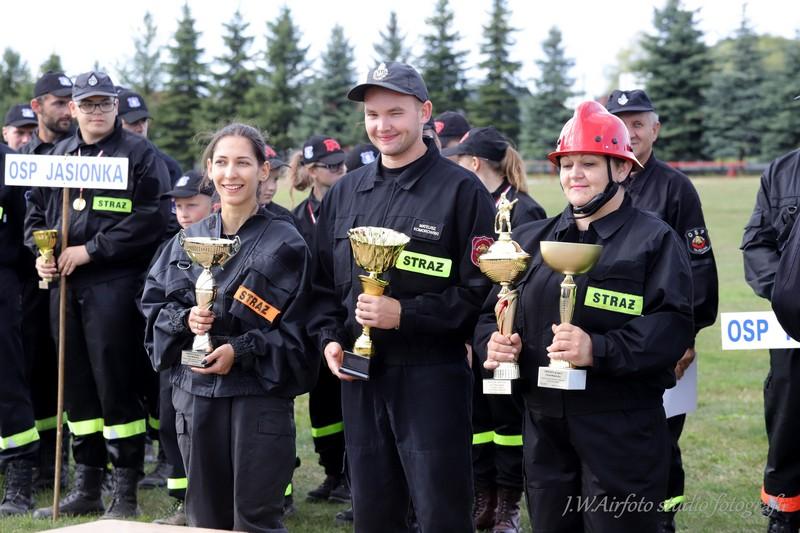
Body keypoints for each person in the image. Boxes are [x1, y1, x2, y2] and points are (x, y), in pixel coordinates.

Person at [474, 101, 694, 532]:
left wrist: (598, 348)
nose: (574, 174)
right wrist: (494, 343)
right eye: (567, 164)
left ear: (622, 169)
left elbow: (670, 327)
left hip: (620, 427)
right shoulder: (529, 240)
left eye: (589, 164)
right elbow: (490, 314)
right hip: (543, 428)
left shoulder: (654, 240)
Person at [310, 61, 496, 531]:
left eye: (395, 112)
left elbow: (482, 292)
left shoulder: (462, 191)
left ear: (424, 112)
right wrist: (329, 338)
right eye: (373, 115)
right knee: (373, 510)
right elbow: (321, 286)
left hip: (431, 376)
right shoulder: (345, 193)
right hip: (359, 377)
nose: (383, 125)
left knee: (440, 510)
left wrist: (405, 314)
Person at [142, 123, 317, 532]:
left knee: (254, 518)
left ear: (263, 171)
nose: (230, 173)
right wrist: (185, 319)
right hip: (194, 396)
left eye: (242, 162)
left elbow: (301, 334)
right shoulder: (186, 241)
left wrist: (242, 349)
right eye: (221, 162)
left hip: (257, 400)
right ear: (209, 169)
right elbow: (154, 309)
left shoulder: (287, 244)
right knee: (206, 520)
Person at [25, 70, 170, 519]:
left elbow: (151, 216)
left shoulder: (140, 154)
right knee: (76, 388)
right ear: (73, 109)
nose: (96, 111)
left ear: (115, 106)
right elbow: (35, 211)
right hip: (64, 287)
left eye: (104, 103)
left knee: (116, 384)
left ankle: (124, 491)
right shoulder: (58, 155)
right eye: (87, 104)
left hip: (114, 285)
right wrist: (41, 252)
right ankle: (86, 484)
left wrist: (91, 250)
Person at [605, 89, 719, 532]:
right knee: (614, 433)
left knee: (662, 434)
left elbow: (698, 264)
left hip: (664, 334)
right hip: (609, 337)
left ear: (656, 129)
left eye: (638, 123)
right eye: (620, 123)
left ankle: (662, 516)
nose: (629, 132)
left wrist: (687, 336)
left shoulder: (675, 187)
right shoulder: (597, 178)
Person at [445, 125, 546, 532]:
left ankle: (508, 504)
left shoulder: (524, 210)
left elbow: (531, 285)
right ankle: (483, 498)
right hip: (476, 337)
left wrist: (502, 334)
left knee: (507, 423)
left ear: (474, 162)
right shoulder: (472, 204)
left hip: (508, 339)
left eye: (458, 160)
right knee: (477, 421)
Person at [141, 169, 214, 527]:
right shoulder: (170, 247)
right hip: (178, 353)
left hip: (217, 353)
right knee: (172, 426)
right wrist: (181, 319)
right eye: (178, 206)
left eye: (192, 205)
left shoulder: (227, 243)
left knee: (208, 427)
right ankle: (183, 503)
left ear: (214, 205)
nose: (183, 213)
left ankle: (218, 502)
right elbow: (150, 299)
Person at [741, 101, 800, 532]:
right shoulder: (781, 171)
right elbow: (757, 242)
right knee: (787, 426)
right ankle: (784, 514)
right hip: (792, 332)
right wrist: (785, 293)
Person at [18, 71, 75, 492]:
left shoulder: (82, 153)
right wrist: (37, 254)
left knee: (67, 373)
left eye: (71, 101)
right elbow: (26, 218)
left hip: (72, 279)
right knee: (35, 370)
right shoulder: (21, 158)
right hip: (26, 282)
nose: (68, 110)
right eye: (59, 102)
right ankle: (38, 462)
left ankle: (64, 464)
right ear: (37, 106)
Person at [287, 134, 351, 507]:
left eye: (343, 164)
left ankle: (353, 476)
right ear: (311, 171)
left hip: (347, 319)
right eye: (332, 166)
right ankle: (332, 472)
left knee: (350, 399)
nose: (341, 170)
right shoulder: (296, 219)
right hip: (310, 324)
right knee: (322, 402)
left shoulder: (353, 207)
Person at [0, 143, 41, 516]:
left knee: (6, 382)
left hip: (3, 283)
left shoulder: (10, 164)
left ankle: (19, 477)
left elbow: (25, 230)